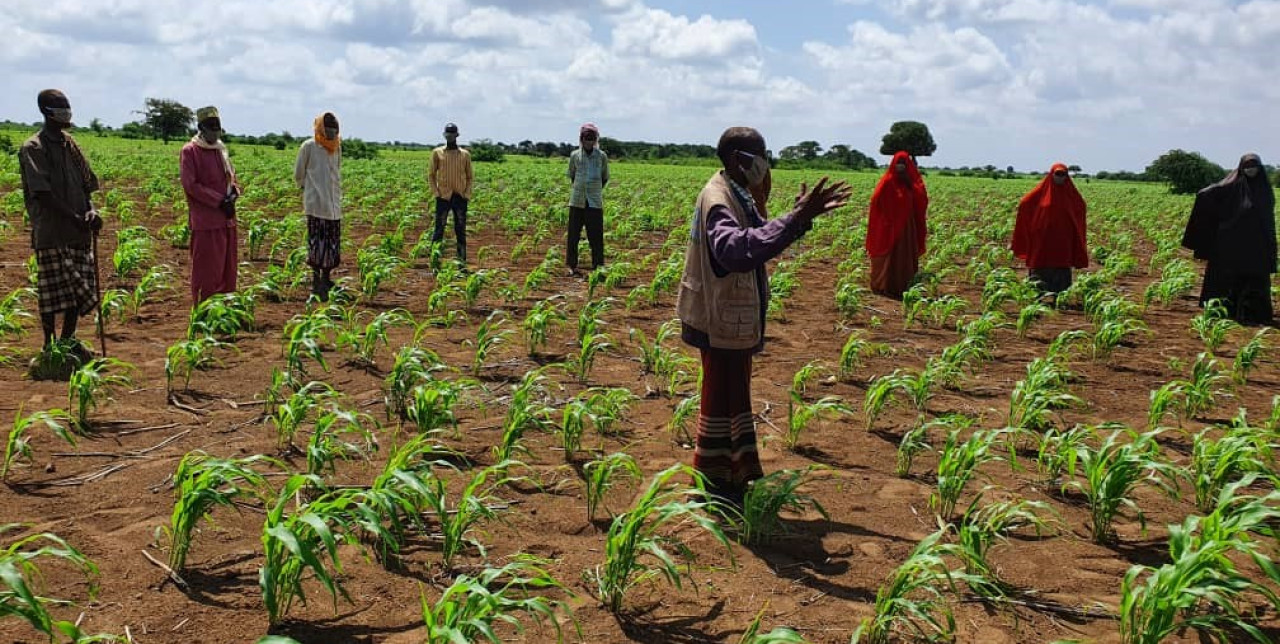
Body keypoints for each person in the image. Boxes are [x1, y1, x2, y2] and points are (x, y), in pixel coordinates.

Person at [676, 126, 852, 505]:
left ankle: (729, 475)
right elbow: (734, 250)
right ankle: (712, 484)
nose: (766, 163)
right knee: (721, 396)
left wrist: (797, 218)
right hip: (719, 314)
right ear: (740, 160)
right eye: (761, 155)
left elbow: (760, 234)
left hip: (726, 312)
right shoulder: (718, 199)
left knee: (731, 396)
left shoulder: (736, 193)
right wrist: (794, 220)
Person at [18, 89, 103, 374]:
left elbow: (86, 185)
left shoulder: (71, 145)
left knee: (76, 294)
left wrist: (90, 211)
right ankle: (49, 345)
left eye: (67, 105)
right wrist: (76, 217)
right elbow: (42, 194)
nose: (67, 111)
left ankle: (67, 342)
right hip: (52, 232)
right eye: (60, 107)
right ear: (45, 110)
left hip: (78, 233)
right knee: (52, 293)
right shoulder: (33, 148)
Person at [1181, 154, 1276, 325]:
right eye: (1247, 166)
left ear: (1260, 168)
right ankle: (1224, 310)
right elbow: (1205, 194)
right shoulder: (1230, 186)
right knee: (1227, 277)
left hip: (1256, 244)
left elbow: (1267, 219)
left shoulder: (1264, 189)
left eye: (1254, 166)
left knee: (1255, 278)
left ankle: (1253, 314)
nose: (1251, 170)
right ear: (1241, 168)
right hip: (1230, 242)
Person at [180, 106, 241, 304]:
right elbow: (191, 185)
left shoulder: (221, 150)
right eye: (211, 127)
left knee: (228, 269)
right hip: (206, 221)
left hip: (227, 219)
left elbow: (231, 178)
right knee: (207, 271)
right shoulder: (190, 151)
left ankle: (224, 311)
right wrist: (218, 201)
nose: (215, 131)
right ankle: (205, 312)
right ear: (200, 128)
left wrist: (233, 195)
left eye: (218, 127)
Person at [1011, 163, 1088, 294]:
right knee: (1040, 263)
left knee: (1061, 264)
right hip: (1043, 239)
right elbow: (1025, 203)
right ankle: (1037, 294)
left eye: (1063, 174)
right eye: (1057, 174)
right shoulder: (1040, 192)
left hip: (1063, 240)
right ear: (1051, 174)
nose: (1060, 177)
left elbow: (1080, 207)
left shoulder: (1071, 194)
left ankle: (1060, 295)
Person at [866, 151, 928, 298]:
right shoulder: (887, 182)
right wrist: (888, 217)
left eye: (904, 164)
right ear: (894, 164)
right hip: (891, 225)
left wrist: (911, 187)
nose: (900, 167)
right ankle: (885, 284)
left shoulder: (912, 183)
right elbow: (877, 201)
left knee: (905, 253)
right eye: (898, 163)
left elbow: (921, 199)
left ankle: (904, 284)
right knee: (891, 254)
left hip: (907, 225)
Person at [294, 112, 342, 301]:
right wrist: (307, 191)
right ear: (320, 128)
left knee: (331, 244)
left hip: (333, 204)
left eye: (334, 129)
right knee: (317, 243)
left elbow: (337, 171)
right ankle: (316, 279)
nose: (331, 132)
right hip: (316, 204)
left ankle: (326, 278)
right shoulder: (309, 146)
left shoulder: (337, 146)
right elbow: (299, 173)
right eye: (328, 128)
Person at [566, 122, 610, 275]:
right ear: (581, 139)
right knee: (573, 235)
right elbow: (572, 175)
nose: (588, 141)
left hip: (594, 202)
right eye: (586, 138)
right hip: (577, 200)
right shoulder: (575, 156)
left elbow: (604, 177)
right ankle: (571, 265)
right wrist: (581, 188)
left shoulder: (601, 157)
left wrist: (594, 190)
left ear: (596, 139)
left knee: (596, 236)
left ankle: (598, 266)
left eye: (591, 138)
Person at [428, 122, 473, 265]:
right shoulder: (437, 153)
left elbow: (470, 176)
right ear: (444, 135)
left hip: (460, 197)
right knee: (439, 228)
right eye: (448, 134)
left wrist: (466, 193)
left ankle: (461, 260)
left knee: (460, 229)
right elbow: (431, 175)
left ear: (457, 135)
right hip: (443, 197)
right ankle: (435, 260)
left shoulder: (465, 154)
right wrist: (436, 193)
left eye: (452, 134)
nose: (450, 136)